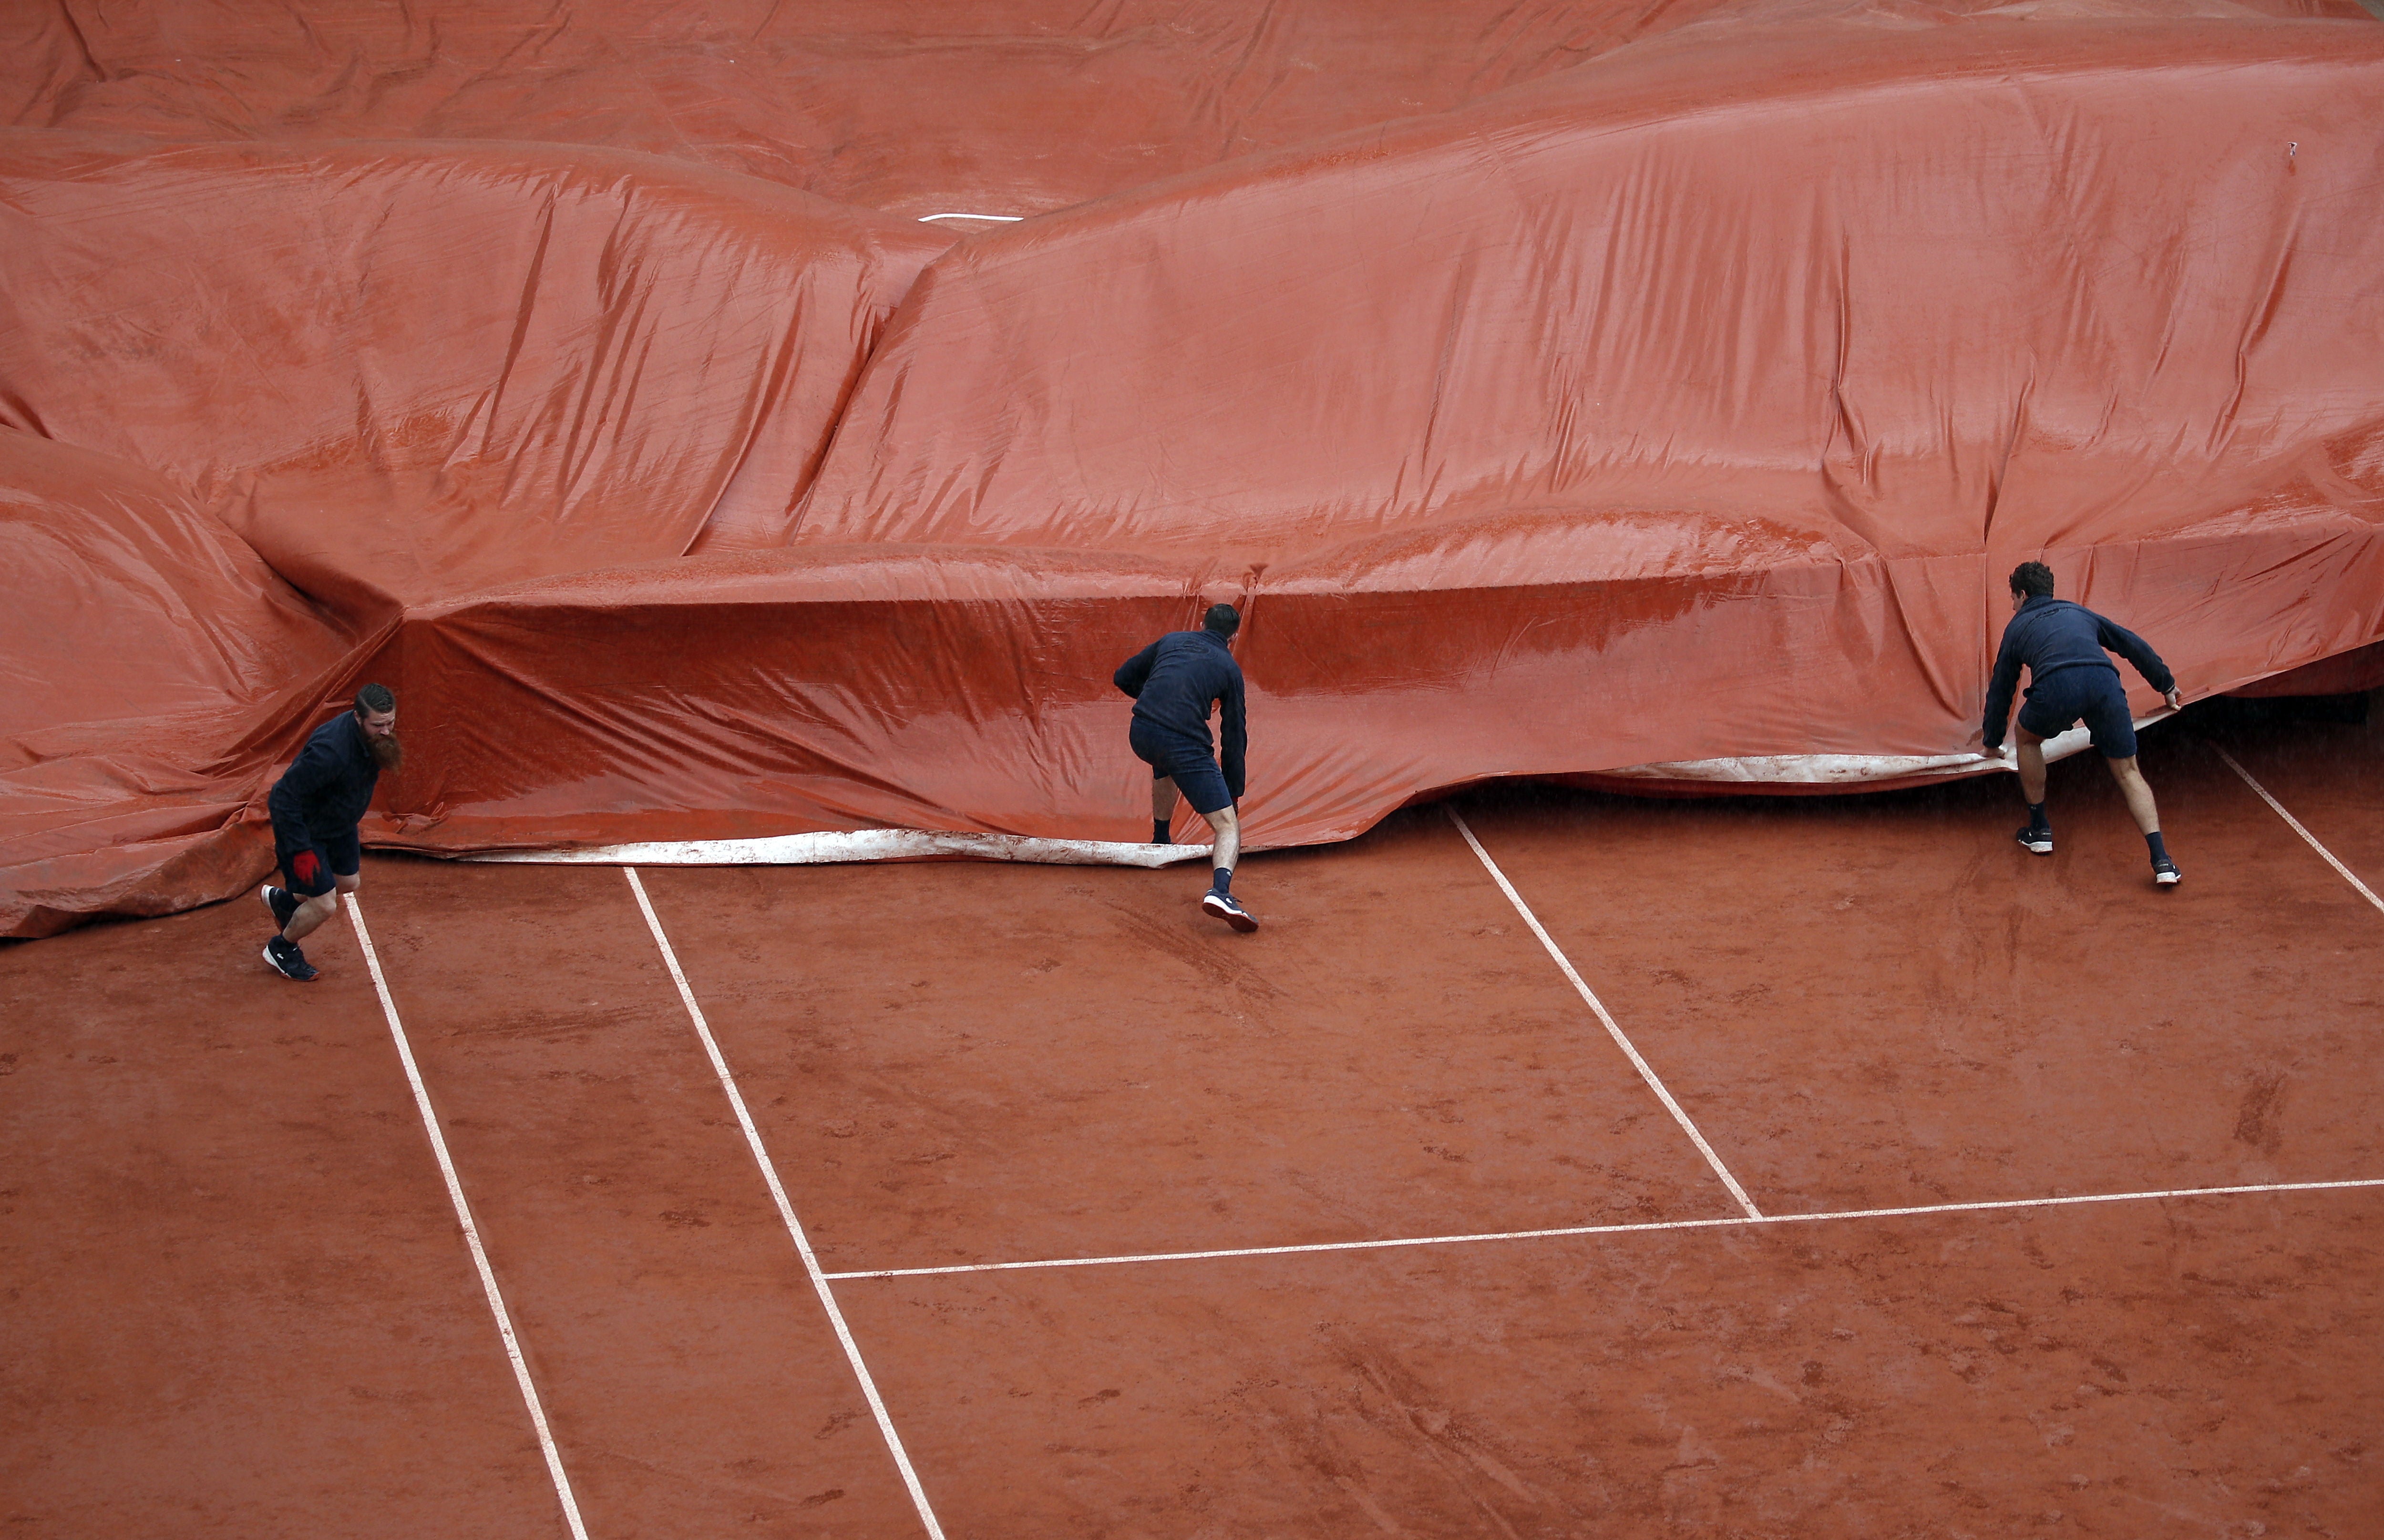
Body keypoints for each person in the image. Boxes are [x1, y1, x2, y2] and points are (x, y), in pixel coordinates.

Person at [1982, 563, 2182, 886]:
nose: (2012, 606)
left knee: (2027, 737)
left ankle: (2040, 829)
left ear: (2023, 594)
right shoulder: (2080, 613)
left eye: (2013, 598)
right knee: (2129, 772)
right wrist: (2167, 686)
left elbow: (2003, 688)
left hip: (2058, 687)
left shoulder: (2017, 627)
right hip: (2104, 682)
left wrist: (1992, 741)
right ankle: (2162, 860)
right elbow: (2131, 645)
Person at [1114, 604, 1255, 932]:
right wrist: (1233, 793)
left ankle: (1161, 842)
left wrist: (1151, 697)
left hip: (1142, 734)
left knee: (1164, 764)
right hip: (1182, 744)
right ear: (1233, 637)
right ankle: (1221, 892)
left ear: (1201, 622)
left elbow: (1123, 676)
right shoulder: (1229, 669)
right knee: (1227, 826)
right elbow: (1234, 735)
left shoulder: (1171, 640)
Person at [258, 683, 402, 980]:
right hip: (305, 835)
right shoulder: (331, 753)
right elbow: (282, 798)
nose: (387, 731)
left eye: (390, 723)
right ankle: (282, 949)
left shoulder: (372, 738)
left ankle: (284, 902)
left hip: (338, 826)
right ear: (358, 718)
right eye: (378, 725)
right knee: (324, 904)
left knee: (348, 882)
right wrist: (301, 851)